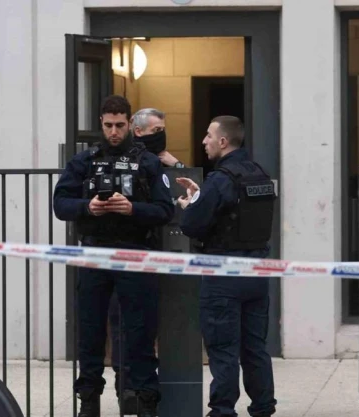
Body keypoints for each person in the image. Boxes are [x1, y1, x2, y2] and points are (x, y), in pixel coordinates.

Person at [53, 95, 174, 417]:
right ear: (101, 124)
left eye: (120, 125)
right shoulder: (84, 161)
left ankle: (145, 400)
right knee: (90, 330)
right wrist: (88, 207)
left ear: (130, 123)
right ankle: (88, 400)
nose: (114, 132)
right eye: (108, 125)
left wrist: (132, 209)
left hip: (135, 251)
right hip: (94, 251)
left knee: (140, 331)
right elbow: (60, 205)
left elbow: (165, 210)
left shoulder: (147, 162)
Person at [176, 115, 278, 417]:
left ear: (223, 141)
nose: (204, 141)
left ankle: (222, 411)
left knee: (223, 350)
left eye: (209, 136)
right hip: (257, 273)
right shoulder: (259, 174)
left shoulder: (220, 179)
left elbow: (193, 225)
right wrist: (202, 197)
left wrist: (189, 205)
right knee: (255, 348)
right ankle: (263, 408)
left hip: (223, 276)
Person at [106, 106, 186, 411]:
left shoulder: (161, 164)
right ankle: (127, 389)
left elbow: (182, 195)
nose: (161, 135)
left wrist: (176, 165)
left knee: (146, 327)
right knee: (123, 326)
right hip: (126, 252)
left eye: (163, 129)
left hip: (154, 255)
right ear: (137, 131)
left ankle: (144, 393)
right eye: (156, 130)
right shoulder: (125, 161)